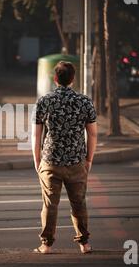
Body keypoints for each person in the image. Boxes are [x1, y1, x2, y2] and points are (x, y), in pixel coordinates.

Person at [32, 61, 98, 255]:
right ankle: (84, 244)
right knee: (78, 203)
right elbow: (92, 134)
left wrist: (37, 160)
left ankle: (46, 245)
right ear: (73, 79)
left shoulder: (44, 101)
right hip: (77, 161)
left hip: (50, 161)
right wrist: (89, 159)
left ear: (55, 79)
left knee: (49, 205)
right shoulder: (84, 102)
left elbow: (36, 135)